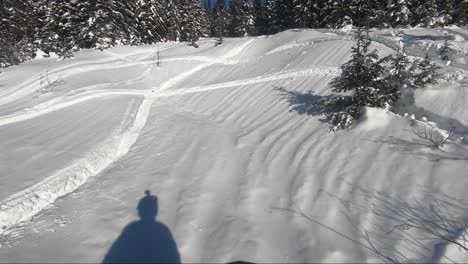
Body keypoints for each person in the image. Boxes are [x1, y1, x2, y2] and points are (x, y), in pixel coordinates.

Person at [103, 190, 180, 263]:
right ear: (155, 211)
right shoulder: (162, 230)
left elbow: (115, 254)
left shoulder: (132, 228)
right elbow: (173, 256)